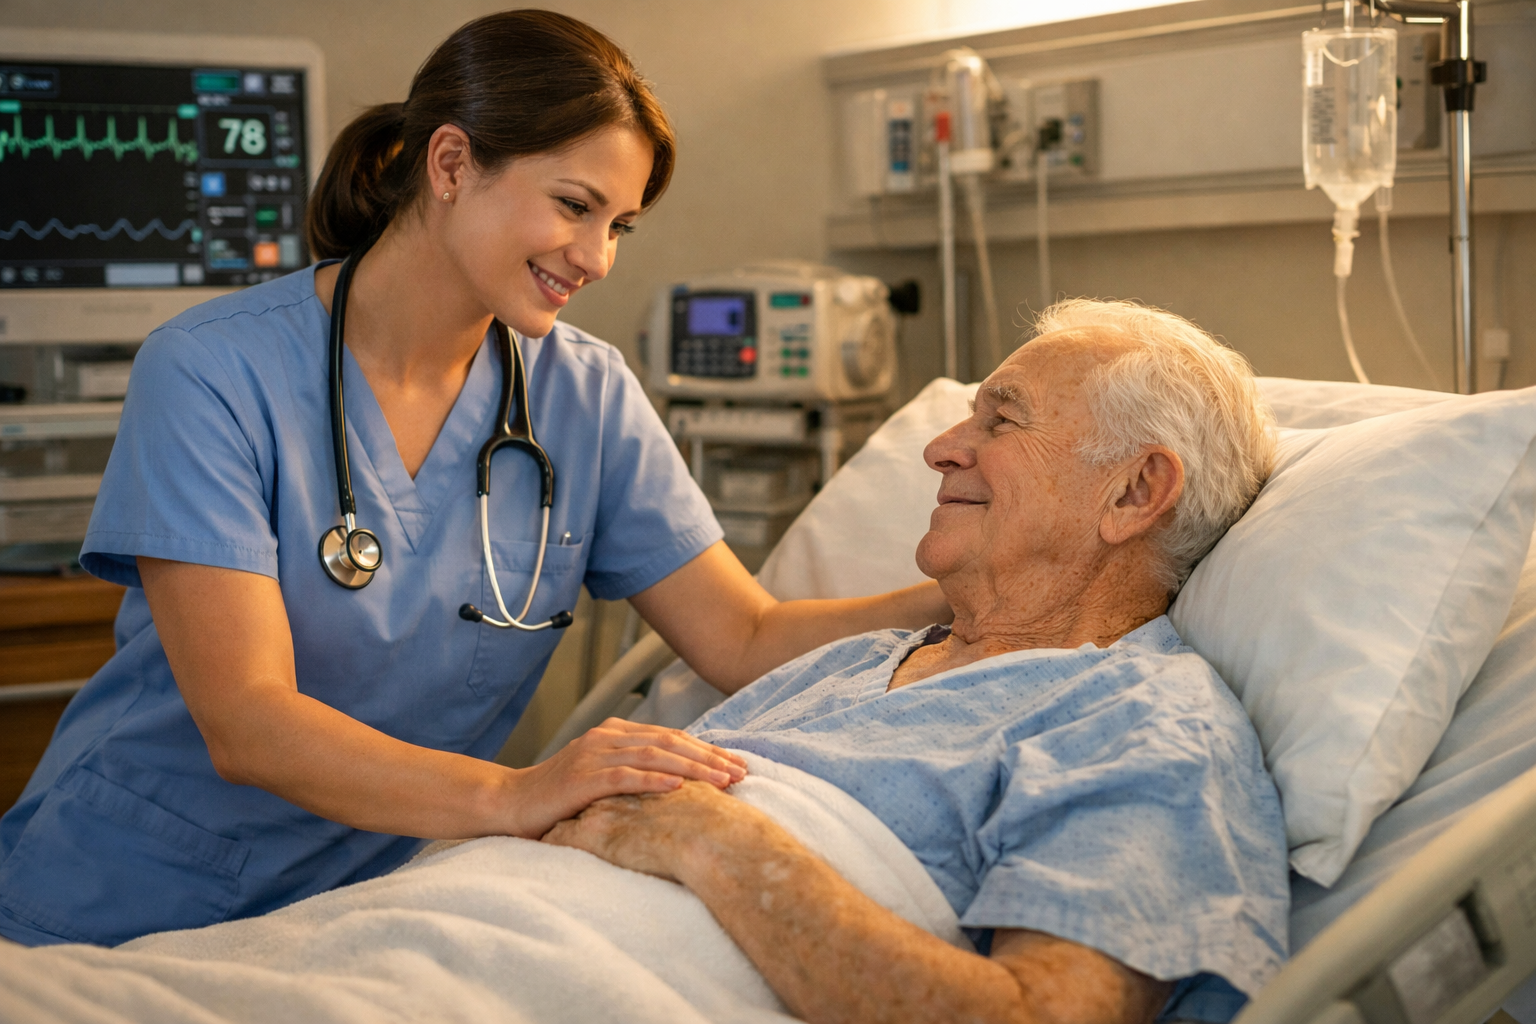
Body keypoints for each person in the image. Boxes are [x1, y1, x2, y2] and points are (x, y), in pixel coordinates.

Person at [0, 10, 946, 949]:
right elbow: (248, 722)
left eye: (620, 224)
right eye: (575, 206)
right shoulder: (211, 373)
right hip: (120, 902)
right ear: (450, 165)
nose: (598, 257)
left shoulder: (585, 395)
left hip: (364, 915)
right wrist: (520, 794)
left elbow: (742, 635)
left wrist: (971, 585)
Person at [547, 299, 1290, 1024]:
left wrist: (718, 843)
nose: (941, 448)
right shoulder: (848, 664)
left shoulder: (1140, 727)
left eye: (1001, 419)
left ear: (1133, 491)